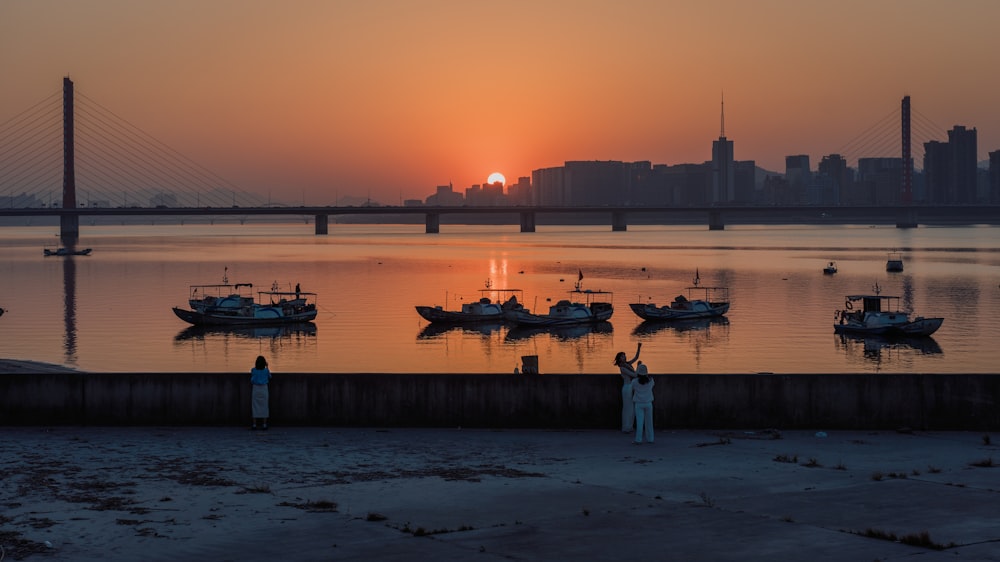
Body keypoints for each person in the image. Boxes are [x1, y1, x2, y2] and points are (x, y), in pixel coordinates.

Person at [613, 342, 641, 432]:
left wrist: (639, 347)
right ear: (619, 359)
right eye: (622, 356)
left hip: (630, 388)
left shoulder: (627, 364)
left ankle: (629, 426)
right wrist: (639, 367)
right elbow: (634, 375)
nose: (624, 357)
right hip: (627, 388)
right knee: (627, 408)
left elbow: (636, 358)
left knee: (631, 408)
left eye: (624, 355)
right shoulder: (622, 368)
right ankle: (626, 427)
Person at [632, 361, 655, 444]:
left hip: (639, 403)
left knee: (639, 422)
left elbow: (633, 386)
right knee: (649, 422)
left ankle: (638, 439)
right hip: (648, 403)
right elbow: (650, 382)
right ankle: (650, 439)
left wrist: (637, 368)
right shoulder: (651, 381)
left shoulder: (634, 382)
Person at [250, 355, 272, 430]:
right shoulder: (266, 370)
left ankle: (254, 424)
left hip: (255, 388)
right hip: (264, 389)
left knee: (255, 406)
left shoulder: (253, 370)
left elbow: (252, 377)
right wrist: (267, 367)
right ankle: (264, 424)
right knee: (264, 406)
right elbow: (270, 377)